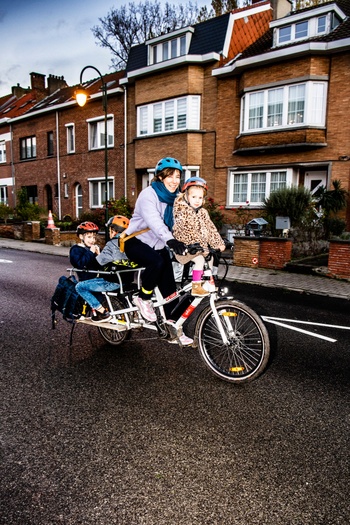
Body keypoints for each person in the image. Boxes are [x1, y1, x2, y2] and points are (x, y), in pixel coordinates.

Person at [122, 156, 193, 346]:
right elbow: (154, 222)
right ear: (160, 177)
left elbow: (184, 223)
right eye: (170, 175)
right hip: (135, 242)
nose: (174, 180)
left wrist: (199, 242)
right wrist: (170, 239)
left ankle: (175, 330)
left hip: (159, 245)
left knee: (171, 292)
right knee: (157, 262)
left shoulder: (177, 199)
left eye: (178, 176)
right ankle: (143, 298)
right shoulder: (148, 194)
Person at [172, 176, 226, 296]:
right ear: (186, 196)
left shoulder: (203, 212)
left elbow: (210, 228)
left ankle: (206, 283)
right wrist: (201, 247)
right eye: (194, 197)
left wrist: (219, 243)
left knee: (210, 258)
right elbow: (186, 231)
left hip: (199, 247)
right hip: (185, 248)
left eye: (200, 197)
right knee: (200, 260)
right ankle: (196, 287)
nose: (197, 200)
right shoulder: (182, 211)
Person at [69, 221, 121, 323]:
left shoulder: (94, 248)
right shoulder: (75, 250)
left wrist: (99, 254)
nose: (92, 240)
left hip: (99, 279)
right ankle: (100, 312)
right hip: (87, 279)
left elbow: (103, 265)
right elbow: (80, 264)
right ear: (81, 236)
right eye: (89, 237)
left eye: (94, 237)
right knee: (89, 295)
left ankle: (105, 313)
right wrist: (90, 253)